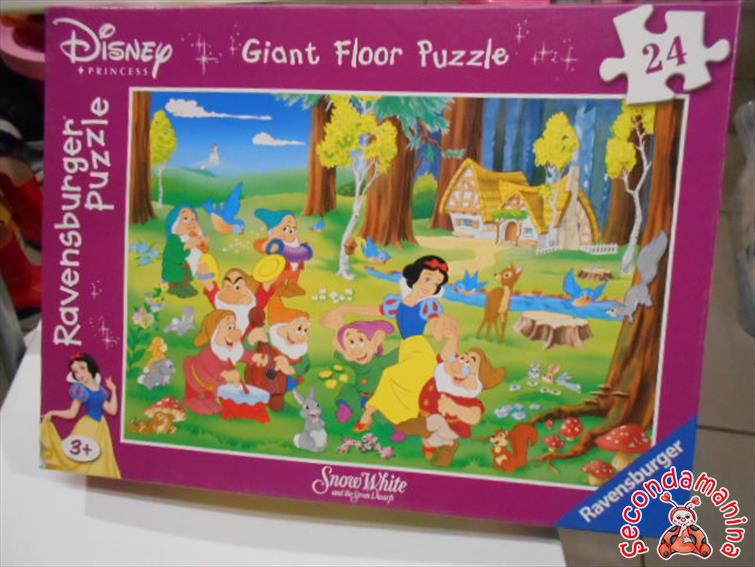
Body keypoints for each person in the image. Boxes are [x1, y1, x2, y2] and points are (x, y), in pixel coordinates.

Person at [331, 255, 459, 433]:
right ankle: (404, 420)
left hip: (421, 352)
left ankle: (368, 414)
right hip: (407, 349)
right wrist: (346, 308)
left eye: (436, 283)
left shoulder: (430, 305)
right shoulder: (397, 303)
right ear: (415, 276)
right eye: (427, 278)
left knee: (391, 375)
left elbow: (437, 331)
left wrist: (446, 326)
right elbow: (375, 310)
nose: (430, 286)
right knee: (406, 386)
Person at [41, 353, 122, 479]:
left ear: (91, 367)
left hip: (102, 430)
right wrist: (53, 413)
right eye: (75, 372)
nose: (79, 374)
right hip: (88, 428)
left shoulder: (101, 391)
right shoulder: (80, 390)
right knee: (82, 459)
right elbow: (72, 413)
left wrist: (114, 390)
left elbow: (112, 410)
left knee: (100, 459)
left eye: (82, 368)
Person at [183, 309, 267, 416]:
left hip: (214, 384)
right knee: (195, 390)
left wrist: (254, 357)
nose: (234, 332)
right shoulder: (210, 353)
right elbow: (211, 367)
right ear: (215, 332)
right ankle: (192, 400)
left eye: (234, 327)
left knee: (214, 392)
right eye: (229, 327)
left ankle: (210, 399)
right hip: (199, 379)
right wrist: (225, 374)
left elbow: (241, 354)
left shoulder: (230, 350)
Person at [247, 296, 311, 412]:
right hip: (258, 375)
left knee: (278, 401)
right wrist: (251, 340)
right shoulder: (269, 338)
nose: (302, 335)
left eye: (305, 330)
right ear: (283, 326)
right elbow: (247, 349)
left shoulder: (300, 350)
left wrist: (291, 369)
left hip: (282, 382)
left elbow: (305, 364)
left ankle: (275, 397)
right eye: (299, 328)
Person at [254, 208, 313, 296]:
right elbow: (260, 246)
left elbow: (301, 252)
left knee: (295, 272)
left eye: (293, 228)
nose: (291, 231)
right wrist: (269, 245)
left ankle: (292, 284)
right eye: (285, 228)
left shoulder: (295, 243)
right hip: (282, 266)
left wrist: (304, 250)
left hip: (295, 264)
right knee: (282, 274)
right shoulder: (276, 243)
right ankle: (279, 286)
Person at [162, 205, 208, 297]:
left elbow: (201, 251)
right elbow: (177, 254)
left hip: (184, 268)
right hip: (174, 270)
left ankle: (185, 285)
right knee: (179, 277)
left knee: (187, 276)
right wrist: (187, 246)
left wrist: (202, 241)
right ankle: (174, 287)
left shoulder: (189, 237)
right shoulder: (174, 239)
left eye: (193, 219)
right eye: (185, 219)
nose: (190, 223)